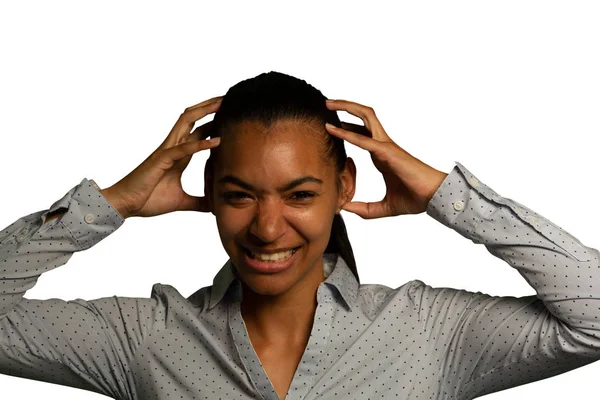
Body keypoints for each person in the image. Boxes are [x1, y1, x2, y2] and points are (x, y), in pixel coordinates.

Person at [0, 71, 599, 400]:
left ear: (344, 187)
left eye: (300, 195)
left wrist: (449, 196)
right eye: (239, 195)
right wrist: (111, 204)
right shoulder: (143, 339)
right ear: (208, 191)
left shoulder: (428, 333)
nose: (266, 227)